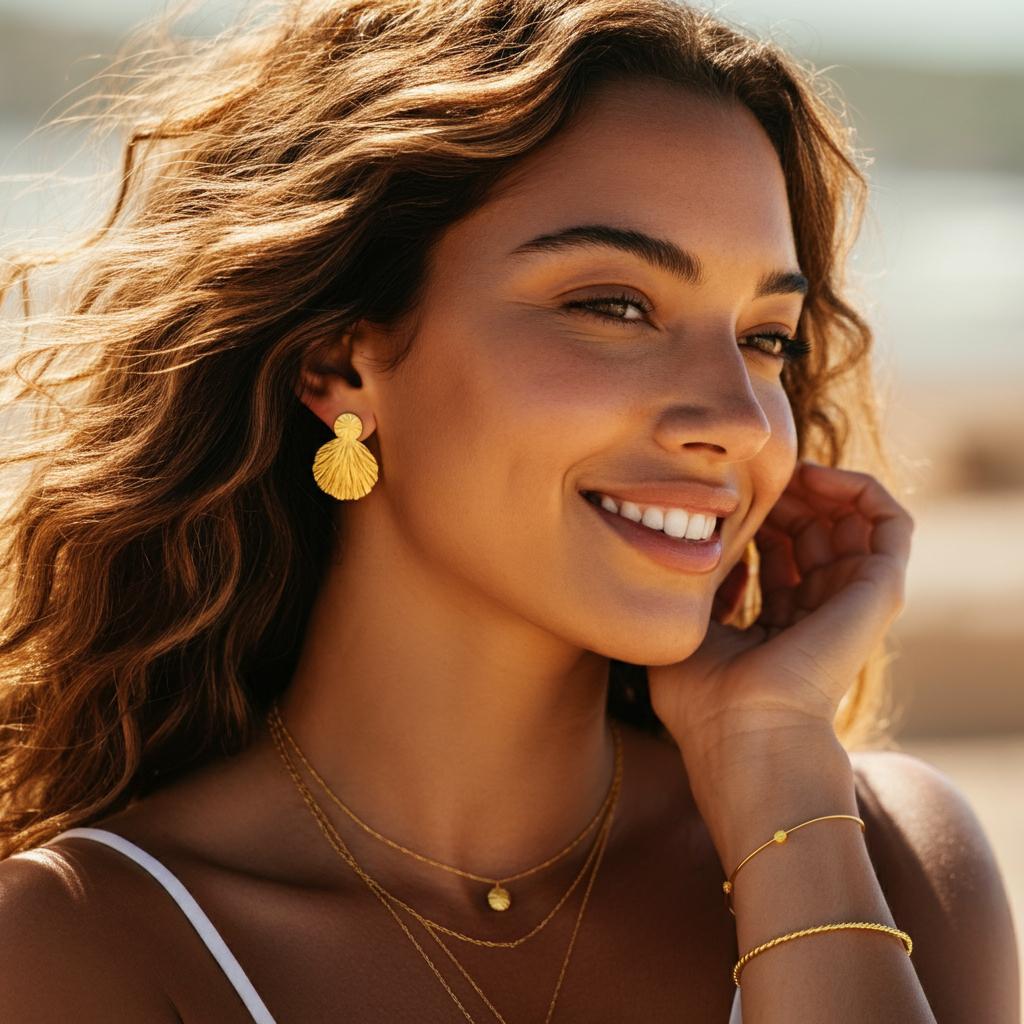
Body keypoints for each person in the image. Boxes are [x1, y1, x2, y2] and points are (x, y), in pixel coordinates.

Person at [0, 0, 1018, 1021]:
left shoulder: (892, 861)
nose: (739, 420)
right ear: (339, 361)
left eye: (765, 337)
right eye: (614, 306)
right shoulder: (82, 938)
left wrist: (777, 763)